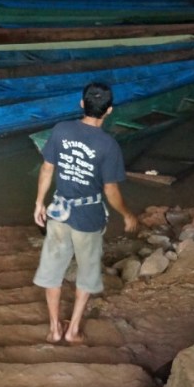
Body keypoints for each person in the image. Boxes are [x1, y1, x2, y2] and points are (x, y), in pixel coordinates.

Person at [33, 81, 139, 344]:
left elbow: (47, 169)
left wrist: (39, 203)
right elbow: (110, 190)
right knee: (87, 272)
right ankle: (73, 330)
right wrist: (127, 214)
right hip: (88, 218)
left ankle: (54, 329)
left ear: (82, 104)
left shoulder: (61, 130)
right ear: (109, 110)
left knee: (53, 272)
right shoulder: (108, 145)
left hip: (59, 212)